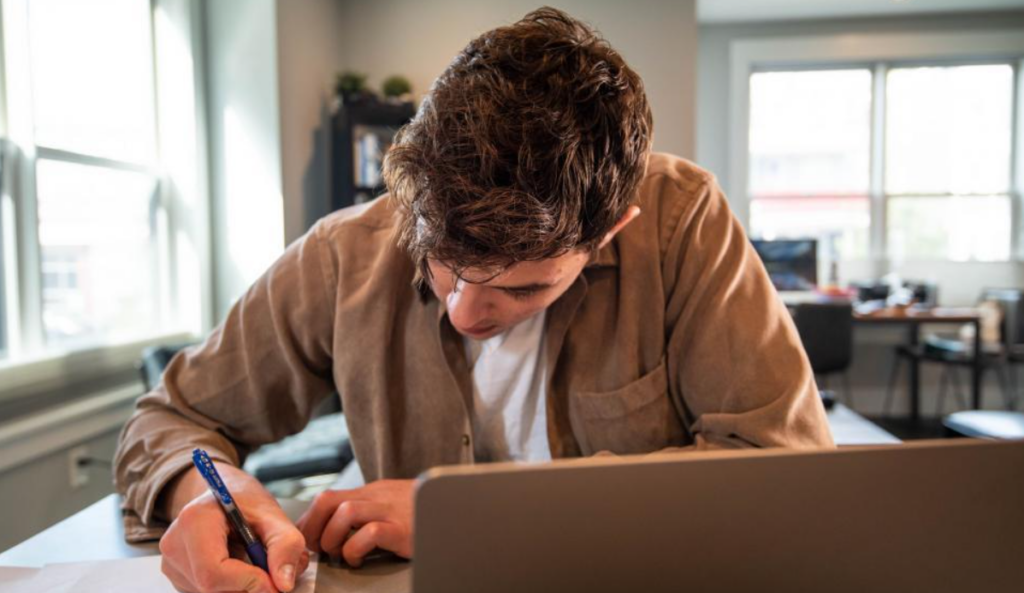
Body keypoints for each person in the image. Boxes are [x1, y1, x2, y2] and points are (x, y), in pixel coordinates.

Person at [114, 7, 833, 593]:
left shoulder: (684, 221)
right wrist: (206, 493)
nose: (462, 313)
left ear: (610, 229)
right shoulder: (346, 251)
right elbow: (171, 417)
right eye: (442, 264)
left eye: (523, 286)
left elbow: (784, 471)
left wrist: (477, 518)